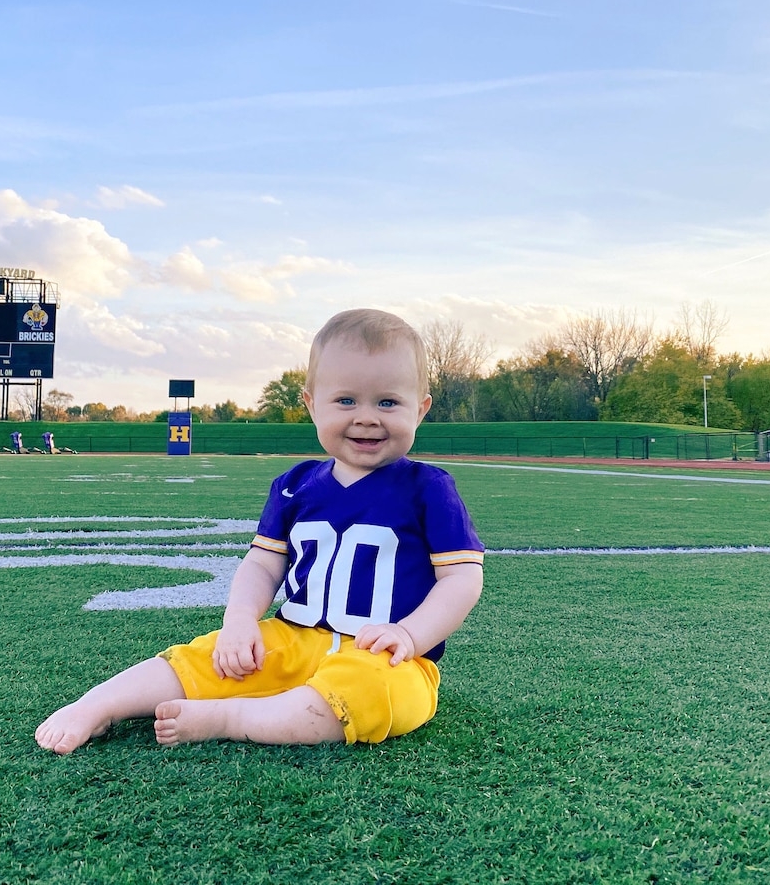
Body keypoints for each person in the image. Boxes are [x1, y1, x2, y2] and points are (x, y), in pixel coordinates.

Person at [34, 308, 485, 751]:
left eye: (387, 402)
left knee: (377, 692)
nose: (366, 416)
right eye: (345, 400)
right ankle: (96, 705)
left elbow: (461, 579)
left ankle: (233, 717)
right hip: (293, 634)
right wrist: (239, 622)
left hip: (384, 655)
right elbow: (264, 564)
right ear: (310, 403)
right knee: (210, 655)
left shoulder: (429, 488)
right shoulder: (295, 485)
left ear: (420, 409)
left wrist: (409, 635)